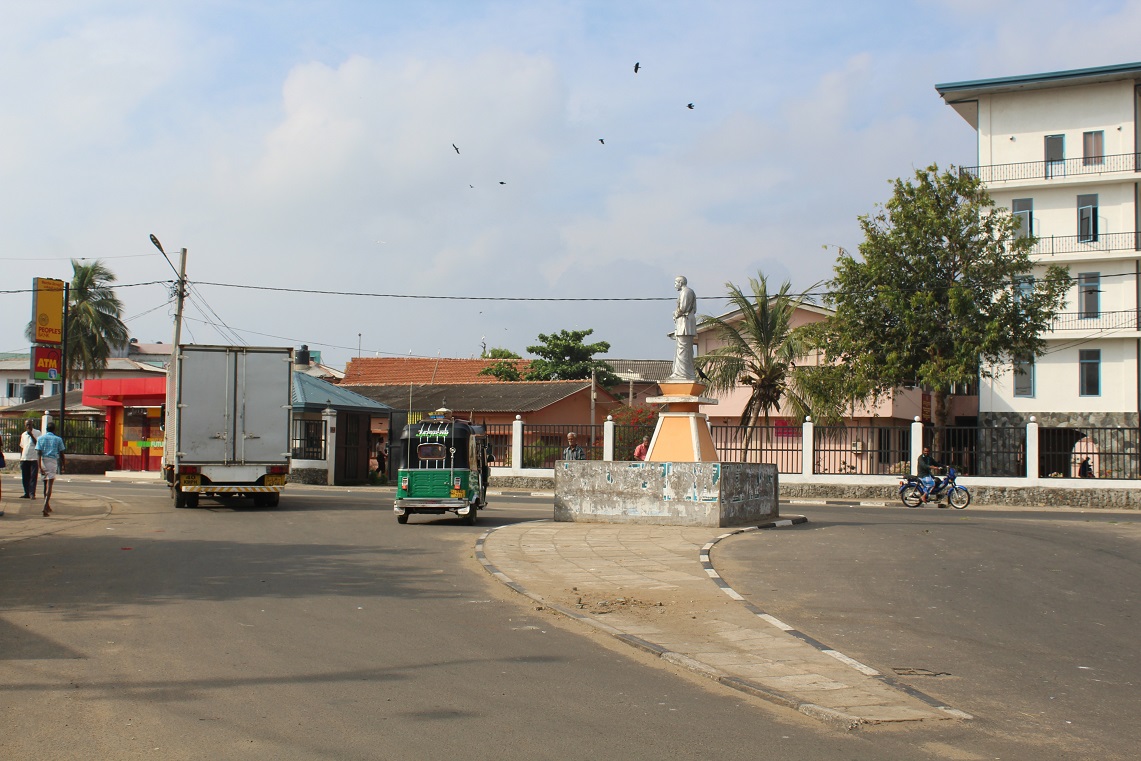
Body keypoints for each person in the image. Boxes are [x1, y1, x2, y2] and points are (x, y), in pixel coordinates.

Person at [669, 275, 698, 380]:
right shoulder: (689, 292)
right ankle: (683, 372)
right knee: (684, 348)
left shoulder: (685, 292)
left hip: (685, 322)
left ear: (680, 282)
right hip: (685, 321)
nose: (675, 285)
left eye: (675, 283)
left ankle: (682, 373)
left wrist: (675, 314)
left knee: (683, 348)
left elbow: (683, 308)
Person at [35, 422, 65, 517]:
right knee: (50, 485)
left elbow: (38, 453)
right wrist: (63, 465)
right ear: (54, 429)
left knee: (45, 484)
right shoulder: (58, 439)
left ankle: (47, 505)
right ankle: (45, 507)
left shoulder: (40, 439)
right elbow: (61, 453)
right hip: (52, 461)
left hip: (43, 461)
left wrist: (39, 466)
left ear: (46, 429)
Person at [20, 419, 41, 500]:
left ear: (32, 425)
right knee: (25, 477)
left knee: (33, 477)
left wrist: (31, 435)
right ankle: (26, 493)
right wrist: (21, 458)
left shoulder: (37, 433)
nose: (28, 426)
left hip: (33, 458)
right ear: (25, 426)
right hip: (25, 458)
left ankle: (32, 493)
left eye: (30, 424)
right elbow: (22, 446)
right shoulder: (23, 434)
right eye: (27, 425)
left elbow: (38, 444)